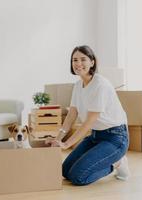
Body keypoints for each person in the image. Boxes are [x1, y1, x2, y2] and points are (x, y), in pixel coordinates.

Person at [47, 45, 130, 185]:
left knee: (78, 177)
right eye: (75, 60)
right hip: (96, 136)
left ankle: (117, 163)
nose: (78, 64)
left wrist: (66, 144)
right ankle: (111, 160)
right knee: (65, 171)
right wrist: (58, 139)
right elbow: (71, 115)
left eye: (83, 59)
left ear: (92, 62)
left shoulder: (100, 85)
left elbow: (88, 123)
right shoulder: (78, 86)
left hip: (115, 138)